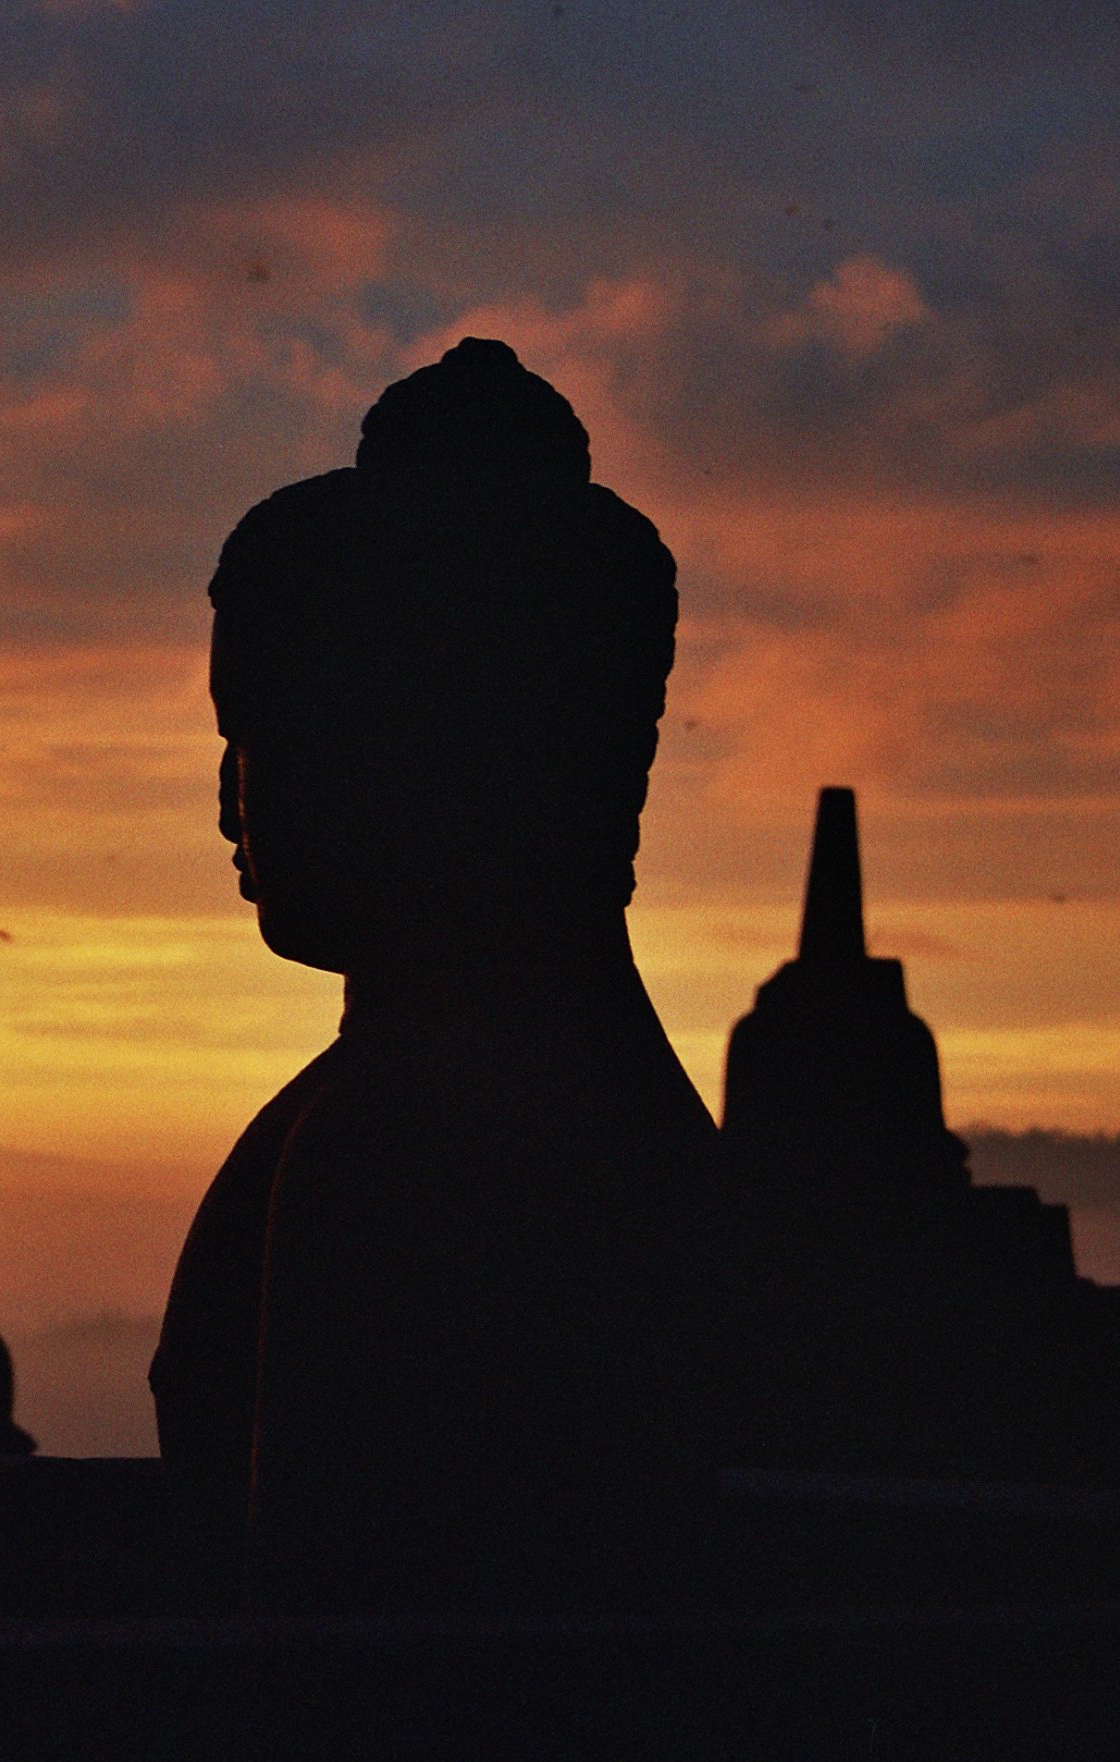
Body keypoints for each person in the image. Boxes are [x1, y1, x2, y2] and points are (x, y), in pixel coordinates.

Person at [151, 339, 715, 1609]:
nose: (230, 803)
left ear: (435, 757)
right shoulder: (507, 1101)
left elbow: (352, 1658)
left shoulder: (428, 1142)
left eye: (268, 740)